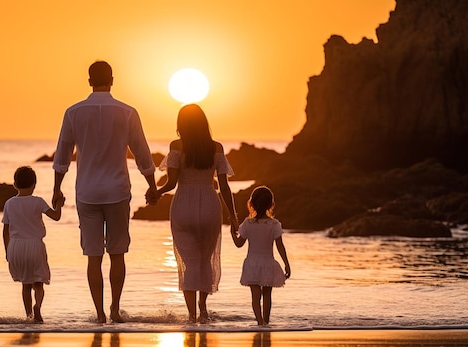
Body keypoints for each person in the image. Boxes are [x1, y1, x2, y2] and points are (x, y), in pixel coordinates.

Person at [52, 61, 157, 324]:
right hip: (118, 191)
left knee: (93, 257)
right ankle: (114, 309)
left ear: (89, 81)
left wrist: (56, 189)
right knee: (117, 254)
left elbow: (62, 154)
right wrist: (152, 185)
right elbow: (142, 153)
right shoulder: (128, 112)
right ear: (113, 79)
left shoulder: (73, 112)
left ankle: (99, 314)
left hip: (87, 192)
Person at [157, 104, 239, 323]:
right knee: (205, 259)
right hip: (210, 205)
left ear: (181, 124)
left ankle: (192, 314)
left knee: (188, 262)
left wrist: (155, 192)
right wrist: (233, 216)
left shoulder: (176, 145)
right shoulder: (216, 148)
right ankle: (203, 308)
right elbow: (224, 187)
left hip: (183, 205)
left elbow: (171, 182)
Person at [2, 166, 63, 323]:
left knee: (25, 284)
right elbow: (56, 217)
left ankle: (29, 316)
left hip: (16, 247)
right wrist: (59, 204)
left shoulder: (9, 203)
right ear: (34, 184)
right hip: (35, 246)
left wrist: (8, 252)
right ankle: (37, 307)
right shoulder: (38, 201)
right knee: (39, 283)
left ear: (15, 184)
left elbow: (5, 231)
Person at [230, 186, 291, 325]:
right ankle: (266, 322)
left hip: (252, 264)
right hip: (268, 263)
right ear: (271, 205)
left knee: (255, 296)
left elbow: (239, 244)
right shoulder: (274, 224)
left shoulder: (247, 223)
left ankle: (260, 322)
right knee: (267, 295)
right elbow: (280, 246)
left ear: (251, 204)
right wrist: (286, 264)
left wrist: (232, 234)